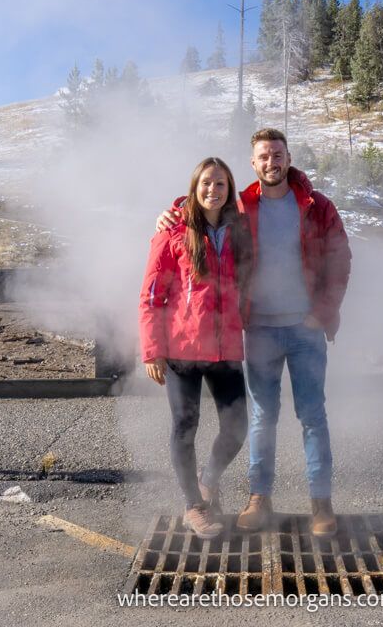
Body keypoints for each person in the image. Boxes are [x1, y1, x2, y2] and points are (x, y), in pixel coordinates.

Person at [157, 128, 351, 537]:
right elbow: (201, 206)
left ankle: (321, 505)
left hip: (305, 330)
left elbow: (340, 259)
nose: (271, 162)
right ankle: (259, 499)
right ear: (253, 163)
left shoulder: (316, 206)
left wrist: (324, 311)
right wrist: (172, 209)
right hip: (260, 328)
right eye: (263, 156)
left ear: (288, 157)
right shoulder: (242, 206)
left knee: (313, 416)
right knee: (262, 418)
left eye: (277, 155)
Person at [140, 157, 252, 540]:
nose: (213, 190)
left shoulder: (240, 229)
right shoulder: (173, 231)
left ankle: (208, 481)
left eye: (221, 184)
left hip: (226, 348)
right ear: (194, 187)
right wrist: (152, 350)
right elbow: (152, 296)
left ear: (229, 189)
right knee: (185, 427)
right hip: (182, 351)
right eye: (206, 183)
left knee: (237, 427)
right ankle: (193, 505)